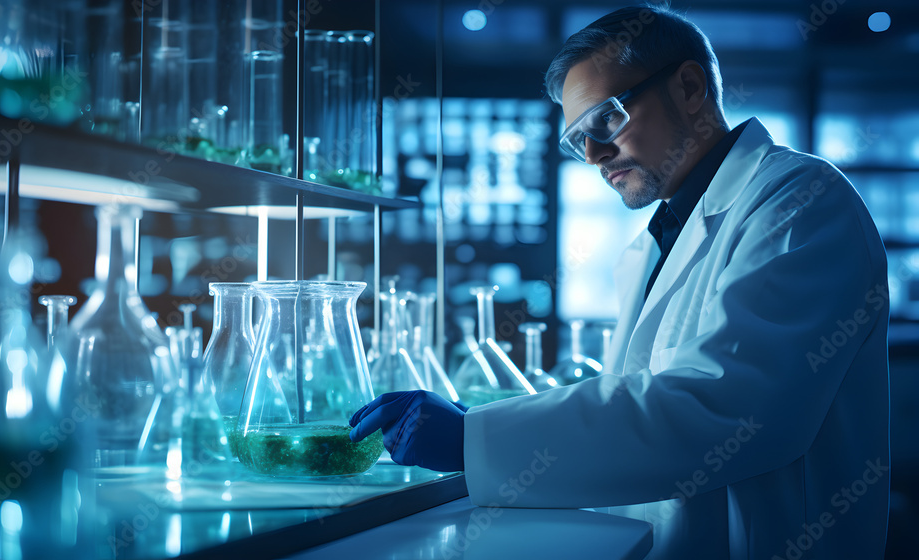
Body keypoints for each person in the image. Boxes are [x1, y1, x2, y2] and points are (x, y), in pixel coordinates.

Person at [349, 4, 890, 558]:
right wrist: (486, 422)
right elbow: (638, 402)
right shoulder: (658, 238)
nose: (591, 155)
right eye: (575, 139)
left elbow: (726, 407)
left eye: (606, 120)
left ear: (689, 87)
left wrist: (477, 439)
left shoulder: (801, 200)